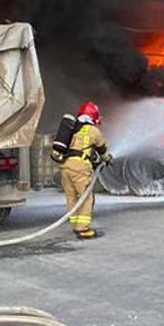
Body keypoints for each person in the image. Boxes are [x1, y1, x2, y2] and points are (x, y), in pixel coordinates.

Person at [58, 101, 111, 239]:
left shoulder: (72, 128)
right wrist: (107, 159)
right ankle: (83, 229)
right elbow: (103, 151)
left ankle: (75, 225)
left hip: (65, 166)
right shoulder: (93, 131)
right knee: (87, 198)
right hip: (79, 168)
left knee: (72, 197)